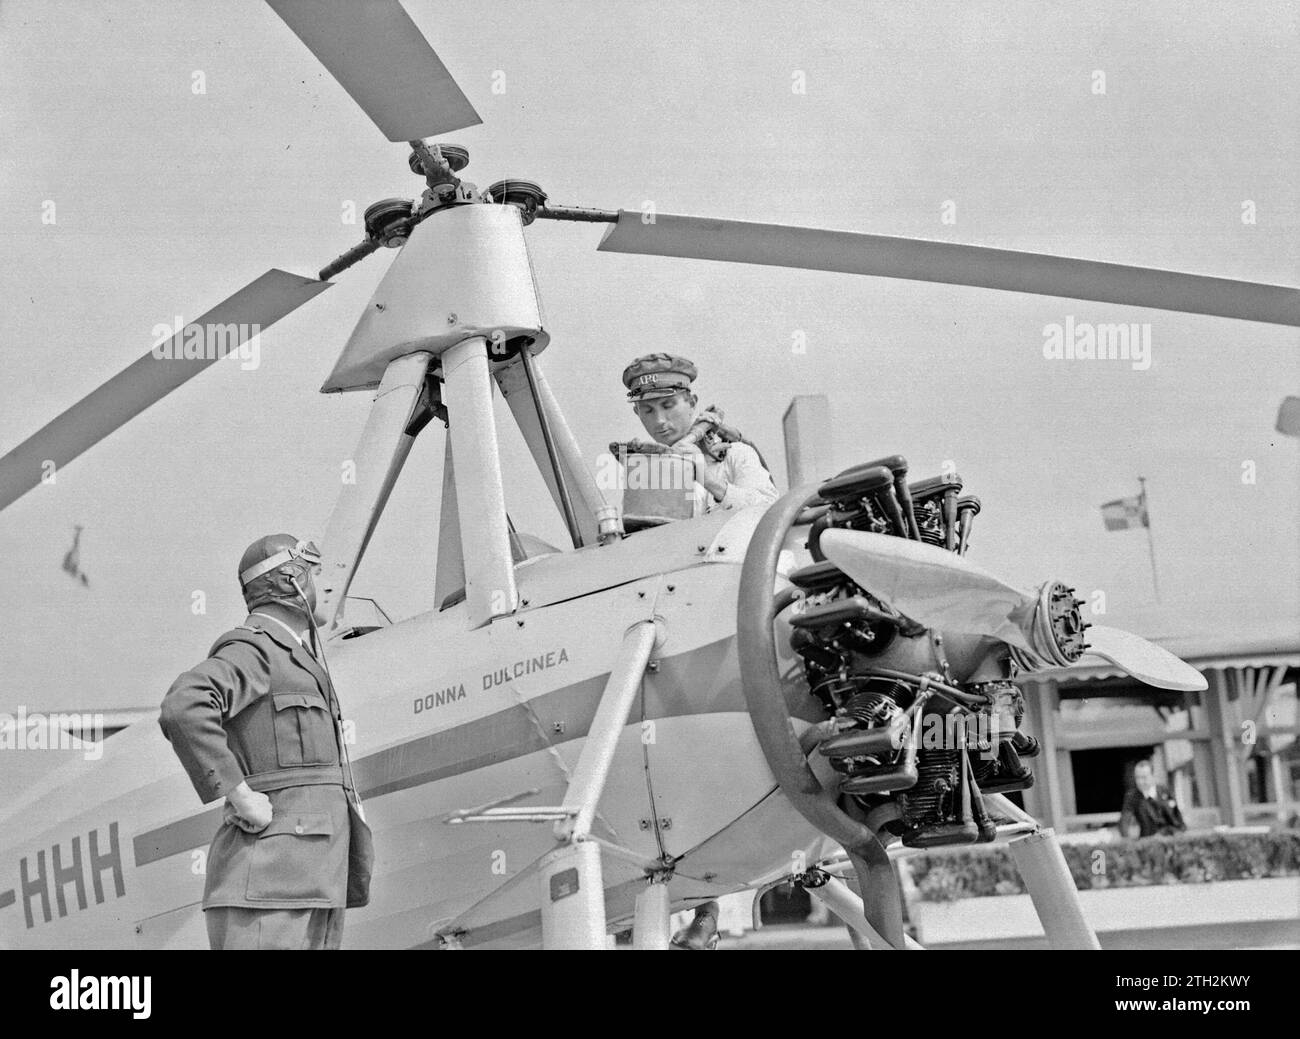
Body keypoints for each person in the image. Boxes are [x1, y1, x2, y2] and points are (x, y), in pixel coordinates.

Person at [159, 534, 362, 950]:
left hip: (313, 880)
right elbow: (185, 705)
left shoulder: (297, 658)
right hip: (269, 886)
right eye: (313, 574)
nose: (326, 586)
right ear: (287, 583)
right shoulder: (258, 649)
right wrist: (240, 795)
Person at [621, 353, 778, 516]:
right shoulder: (649, 475)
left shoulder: (734, 454)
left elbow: (772, 514)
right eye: (648, 411)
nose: (659, 420)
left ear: (692, 402)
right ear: (637, 412)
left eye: (668, 406)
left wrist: (707, 479)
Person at [1119, 759, 1187, 838]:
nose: (1140, 782)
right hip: (1148, 841)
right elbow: (1124, 821)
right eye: (1137, 777)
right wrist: (1128, 841)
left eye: (1144, 777)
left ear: (1153, 776)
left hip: (1171, 838)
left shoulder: (1165, 792)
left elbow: (1177, 819)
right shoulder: (1132, 797)